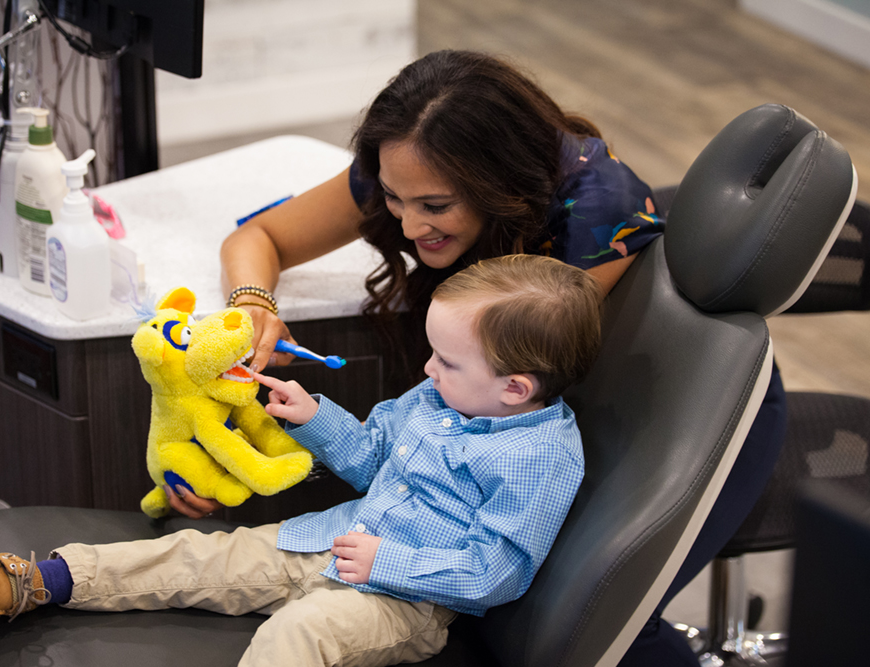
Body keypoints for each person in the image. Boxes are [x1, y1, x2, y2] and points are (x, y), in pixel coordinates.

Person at [215, 50, 787, 666]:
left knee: (595, 623)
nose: (407, 226)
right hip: (522, 401)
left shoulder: (598, 211)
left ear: (499, 184)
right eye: (393, 200)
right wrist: (252, 305)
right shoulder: (409, 161)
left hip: (683, 412)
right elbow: (258, 237)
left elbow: (498, 381)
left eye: (435, 207)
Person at [0, 254, 603, 667]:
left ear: (515, 388)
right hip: (328, 540)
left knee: (297, 636)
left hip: (404, 599)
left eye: (446, 361)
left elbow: (498, 571)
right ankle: (47, 579)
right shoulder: (439, 397)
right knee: (201, 554)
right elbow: (374, 458)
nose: (428, 370)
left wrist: (390, 562)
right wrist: (314, 417)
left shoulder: (540, 459)